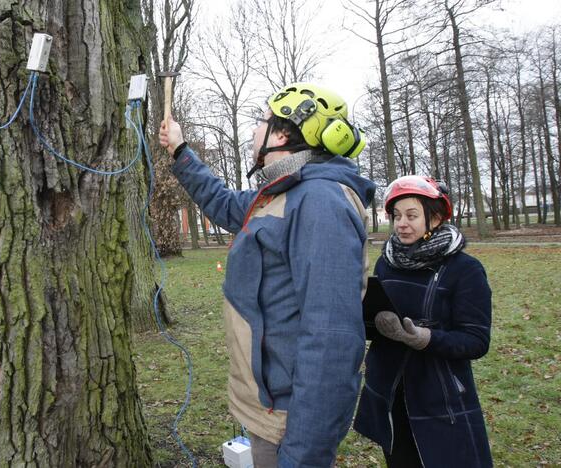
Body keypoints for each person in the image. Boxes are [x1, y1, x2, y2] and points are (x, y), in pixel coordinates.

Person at [159, 83, 375, 467]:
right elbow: (225, 204)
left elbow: (331, 341)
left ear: (281, 133)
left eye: (261, 121)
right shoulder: (284, 193)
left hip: (290, 424)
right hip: (272, 410)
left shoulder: (319, 203)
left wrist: (302, 454)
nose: (254, 132)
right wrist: (180, 151)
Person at [353, 175, 493, 467]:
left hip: (440, 397)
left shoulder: (465, 270)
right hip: (390, 393)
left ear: (437, 217)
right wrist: (375, 322)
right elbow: (373, 322)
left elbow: (476, 341)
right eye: (396, 216)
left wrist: (426, 338)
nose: (401, 223)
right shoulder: (386, 263)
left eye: (412, 215)